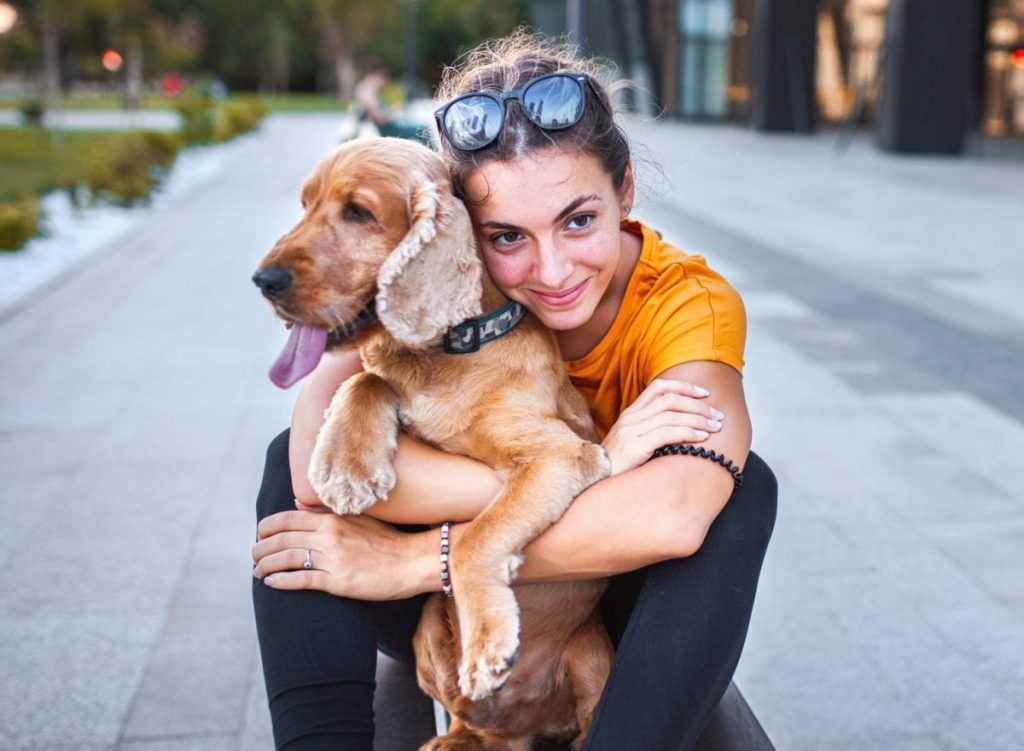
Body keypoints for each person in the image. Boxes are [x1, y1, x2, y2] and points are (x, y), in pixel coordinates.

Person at [252, 32, 778, 751]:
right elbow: (313, 474)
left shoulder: (684, 302)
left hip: (596, 606)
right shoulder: (441, 283)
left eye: (580, 219)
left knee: (742, 489)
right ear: (461, 230)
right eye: (507, 235)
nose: (551, 270)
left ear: (623, 191)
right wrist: (589, 464)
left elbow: (675, 515)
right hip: (442, 623)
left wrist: (419, 557)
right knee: (303, 447)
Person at [352, 61, 429, 143]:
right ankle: (433, 154)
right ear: (376, 75)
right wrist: (394, 110)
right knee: (423, 131)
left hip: (390, 127)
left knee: (423, 129)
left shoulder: (368, 91)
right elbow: (379, 118)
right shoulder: (367, 92)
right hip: (388, 129)